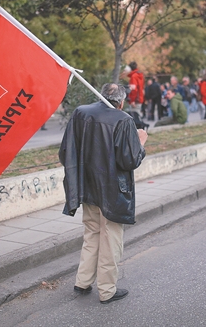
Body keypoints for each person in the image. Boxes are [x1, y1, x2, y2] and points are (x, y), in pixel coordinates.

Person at [59, 83, 148, 304]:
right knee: (111, 240)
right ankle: (107, 290)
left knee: (91, 235)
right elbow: (129, 160)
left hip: (87, 187)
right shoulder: (124, 119)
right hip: (112, 191)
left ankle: (83, 281)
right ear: (122, 101)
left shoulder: (81, 113)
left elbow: (65, 151)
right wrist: (140, 142)